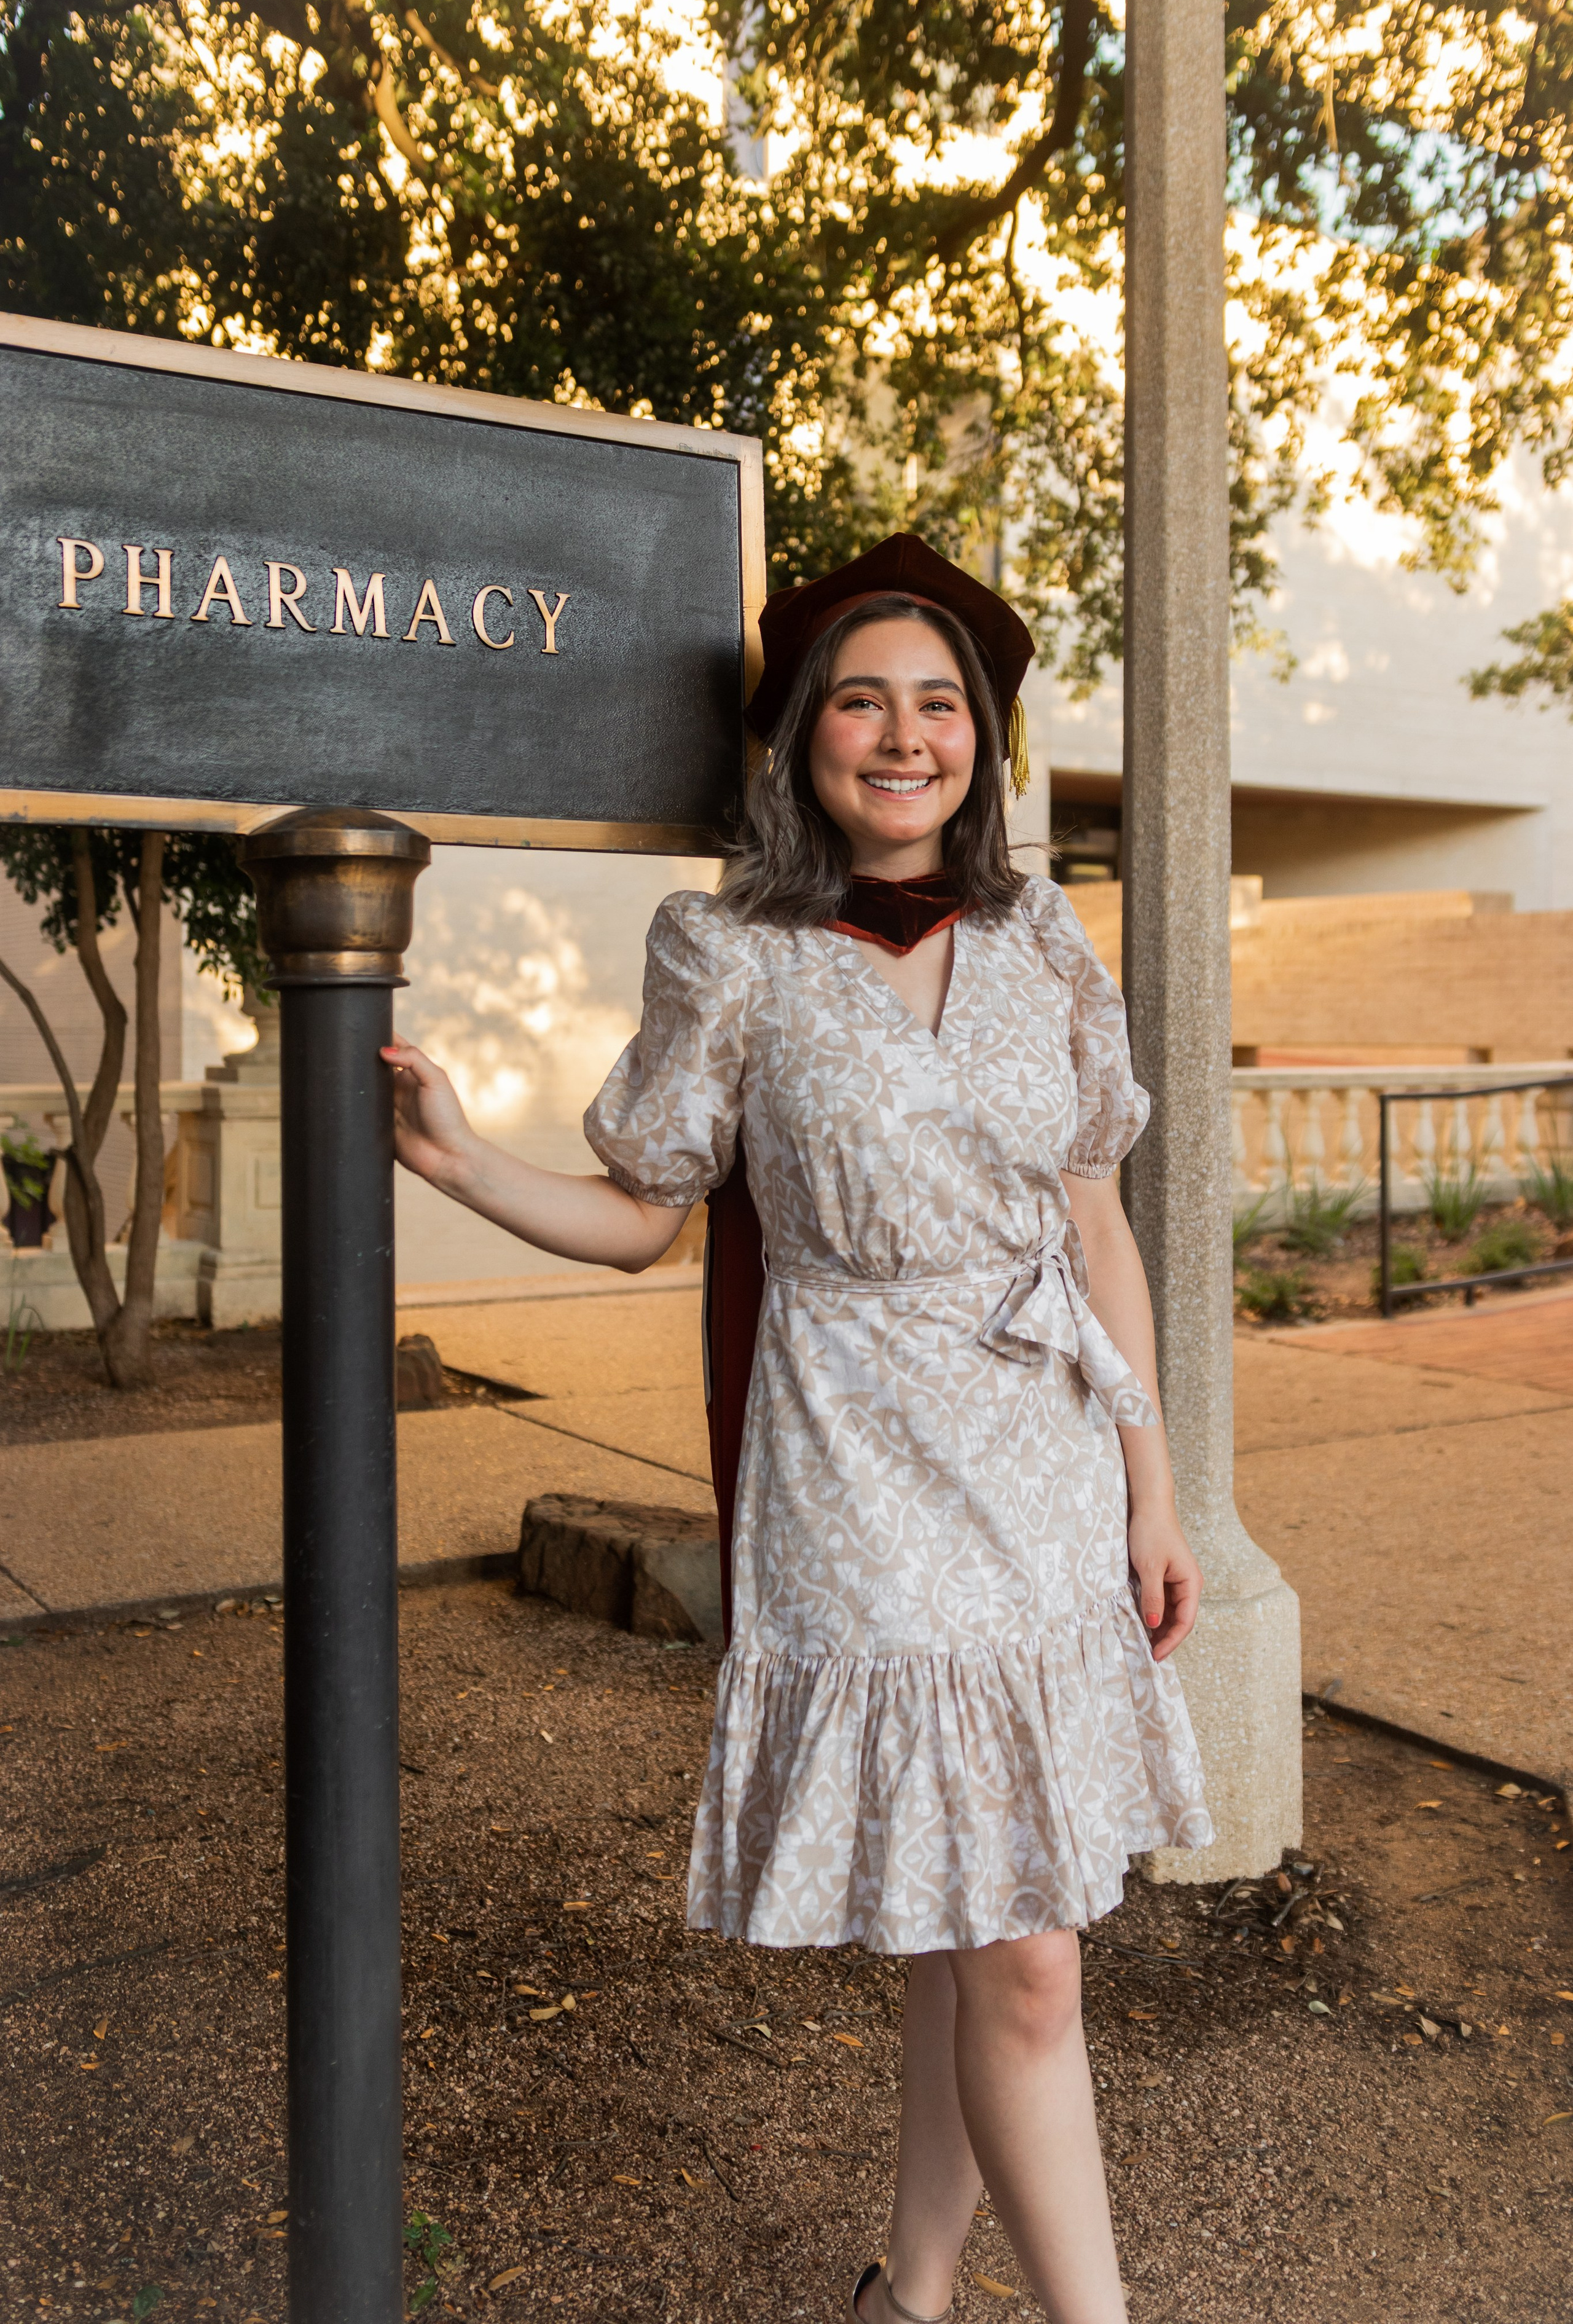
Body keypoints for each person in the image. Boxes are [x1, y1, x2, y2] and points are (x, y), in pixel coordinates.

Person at [385, 533, 1212, 2324]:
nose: (905, 737)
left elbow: (1097, 1225)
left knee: (976, 1909)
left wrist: (1153, 1486)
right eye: (863, 701)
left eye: (940, 704)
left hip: (1044, 1460)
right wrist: (463, 1163)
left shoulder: (1042, 938)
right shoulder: (733, 951)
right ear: (800, 736)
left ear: (981, 739)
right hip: (856, 1462)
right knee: (1029, 1961)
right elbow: (647, 1214)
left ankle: (907, 2292)